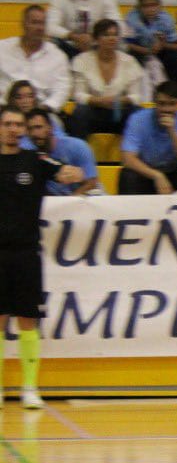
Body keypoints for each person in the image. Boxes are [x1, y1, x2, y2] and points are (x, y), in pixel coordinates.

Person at [0, 105, 83, 410]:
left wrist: (72, 173)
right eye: (7, 124)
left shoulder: (34, 160)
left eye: (17, 124)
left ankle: (29, 387)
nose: (13, 129)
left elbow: (68, 174)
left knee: (27, 320)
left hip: (26, 252)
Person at [67, 19, 146, 138]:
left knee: (138, 112)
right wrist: (100, 101)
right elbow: (79, 95)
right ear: (96, 39)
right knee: (80, 112)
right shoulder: (81, 60)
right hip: (94, 112)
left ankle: (134, 154)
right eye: (106, 35)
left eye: (115, 35)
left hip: (120, 111)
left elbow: (136, 97)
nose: (112, 38)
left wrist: (119, 100)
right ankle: (81, 153)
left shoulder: (129, 61)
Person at [119, 81, 177, 194]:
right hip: (146, 172)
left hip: (172, 172)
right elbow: (127, 159)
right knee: (127, 175)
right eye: (162, 103)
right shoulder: (138, 119)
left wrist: (172, 132)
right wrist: (156, 175)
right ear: (154, 103)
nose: (167, 109)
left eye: (172, 104)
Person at [0, 6, 70, 112]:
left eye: (42, 23)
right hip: (4, 109)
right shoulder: (3, 48)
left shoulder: (57, 56)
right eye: (35, 22)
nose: (39, 28)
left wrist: (44, 108)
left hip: (41, 112)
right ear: (23, 24)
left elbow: (62, 89)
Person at [24, 108, 99, 197]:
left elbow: (91, 184)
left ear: (51, 127)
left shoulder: (77, 146)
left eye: (39, 127)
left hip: (88, 201)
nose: (34, 133)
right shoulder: (30, 155)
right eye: (30, 129)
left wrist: (67, 204)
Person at [124, 0, 177, 88]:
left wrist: (163, 45)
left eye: (154, 5)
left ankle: (171, 90)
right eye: (145, 6)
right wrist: (148, 51)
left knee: (176, 58)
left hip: (162, 51)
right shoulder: (131, 18)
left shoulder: (166, 19)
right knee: (131, 58)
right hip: (140, 51)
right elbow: (129, 45)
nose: (150, 9)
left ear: (160, 5)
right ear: (139, 6)